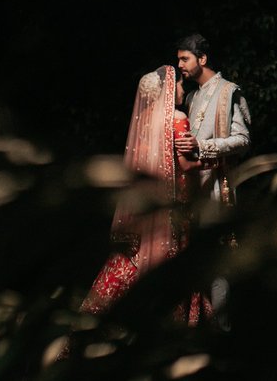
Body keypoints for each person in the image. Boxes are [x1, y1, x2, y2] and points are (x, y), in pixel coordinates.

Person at [77, 65, 210, 325]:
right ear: (167, 90)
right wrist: (212, 161)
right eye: (178, 84)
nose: (182, 88)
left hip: (149, 201)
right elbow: (186, 165)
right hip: (174, 202)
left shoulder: (144, 121)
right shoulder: (177, 118)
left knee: (137, 257)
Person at [174, 33, 252, 208]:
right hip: (193, 184)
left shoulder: (229, 91)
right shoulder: (191, 97)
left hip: (219, 184)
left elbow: (243, 140)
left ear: (202, 59)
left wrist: (201, 146)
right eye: (179, 60)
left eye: (185, 59)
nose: (180, 65)